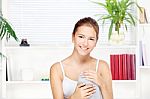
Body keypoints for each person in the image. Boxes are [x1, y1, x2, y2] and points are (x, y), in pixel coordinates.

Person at [50, 17, 113, 99]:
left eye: (91, 39)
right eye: (81, 37)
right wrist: (74, 97)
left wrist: (102, 84)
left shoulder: (102, 66)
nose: (85, 43)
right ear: (73, 37)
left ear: (96, 42)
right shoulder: (57, 69)